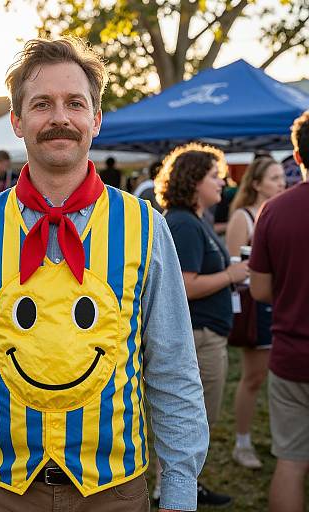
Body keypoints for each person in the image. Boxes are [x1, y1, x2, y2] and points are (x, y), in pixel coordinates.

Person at [0, 37, 209, 512]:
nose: (59, 118)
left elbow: (173, 368)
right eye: (42, 104)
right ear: (16, 120)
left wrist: (178, 493)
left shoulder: (144, 226)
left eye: (75, 103)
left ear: (96, 118)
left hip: (113, 492)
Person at [156, 142, 249, 508]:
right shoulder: (182, 223)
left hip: (207, 334)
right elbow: (185, 285)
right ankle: (176, 489)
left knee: (195, 422)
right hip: (198, 337)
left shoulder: (193, 220)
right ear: (194, 181)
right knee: (192, 422)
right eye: (215, 175)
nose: (222, 181)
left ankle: (183, 485)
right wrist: (230, 274)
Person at [250, 110, 309, 512]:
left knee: (290, 461)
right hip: (290, 355)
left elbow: (260, 289)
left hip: (291, 354)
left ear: (298, 157)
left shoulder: (274, 210)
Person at [226, 157, 285, 469]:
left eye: (282, 177)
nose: (281, 183)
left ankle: (281, 439)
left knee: (281, 379)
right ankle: (242, 442)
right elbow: (236, 267)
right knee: (253, 377)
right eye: (274, 178)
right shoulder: (243, 217)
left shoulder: (283, 212)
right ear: (257, 183)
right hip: (255, 306)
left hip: (281, 304)